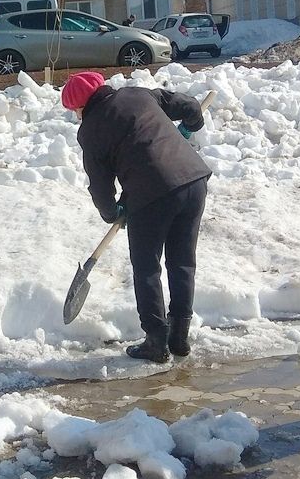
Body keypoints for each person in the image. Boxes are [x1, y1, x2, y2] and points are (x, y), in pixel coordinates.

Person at [62, 71, 211, 363]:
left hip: (150, 196)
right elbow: (190, 106)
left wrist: (111, 212)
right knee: (182, 262)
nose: (77, 116)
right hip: (193, 182)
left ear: (80, 107)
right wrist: (192, 124)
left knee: (147, 268)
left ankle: (157, 341)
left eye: (75, 111)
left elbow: (100, 184)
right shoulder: (139, 94)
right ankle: (179, 336)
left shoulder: (90, 131)